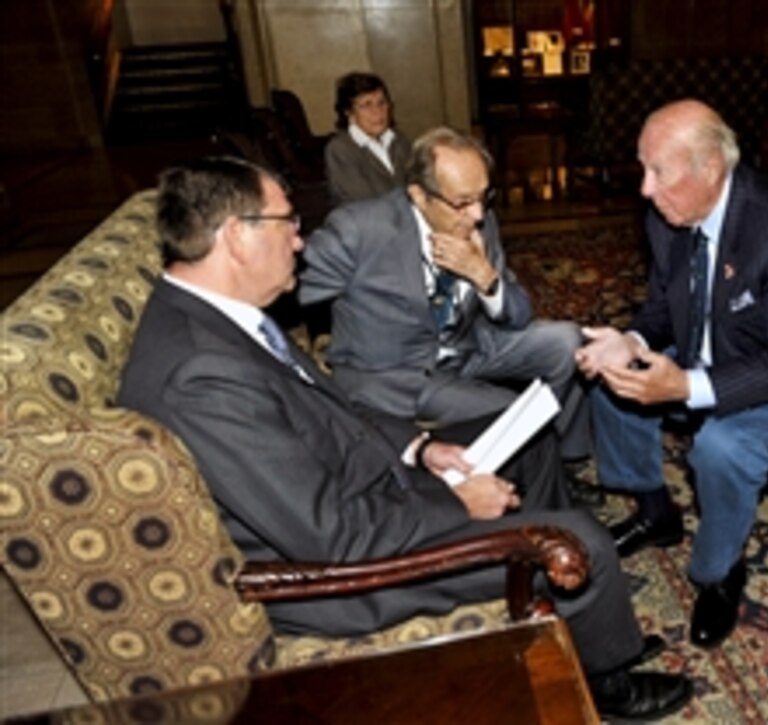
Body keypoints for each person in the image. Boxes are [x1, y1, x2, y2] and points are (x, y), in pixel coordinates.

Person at [117, 156, 692, 720]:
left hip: (362, 486)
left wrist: (420, 448)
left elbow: (332, 408)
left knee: (530, 439)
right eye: (288, 222)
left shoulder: (222, 319)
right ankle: (605, 679)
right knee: (582, 539)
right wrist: (454, 500)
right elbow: (331, 536)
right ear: (237, 237)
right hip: (344, 574)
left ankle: (575, 613)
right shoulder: (200, 374)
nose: (299, 240)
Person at [576, 100, 768, 648]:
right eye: (643, 168)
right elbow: (663, 307)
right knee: (611, 381)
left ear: (710, 168)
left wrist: (683, 386)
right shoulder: (670, 214)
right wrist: (629, 342)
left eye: (658, 171)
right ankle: (656, 512)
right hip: (714, 359)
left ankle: (718, 573)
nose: (644, 188)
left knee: (722, 447)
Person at [300, 126, 598, 503]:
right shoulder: (360, 229)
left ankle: (566, 458)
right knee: (515, 419)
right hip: (396, 374)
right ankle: (529, 487)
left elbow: (518, 316)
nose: (477, 214)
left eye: (484, 197)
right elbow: (288, 284)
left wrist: (484, 277)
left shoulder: (478, 219)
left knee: (566, 340)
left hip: (467, 346)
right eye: (462, 202)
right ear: (418, 195)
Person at [325, 72, 411, 206]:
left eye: (382, 103)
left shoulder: (399, 139)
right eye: (366, 105)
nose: (377, 111)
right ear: (349, 113)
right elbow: (365, 204)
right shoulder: (340, 150)